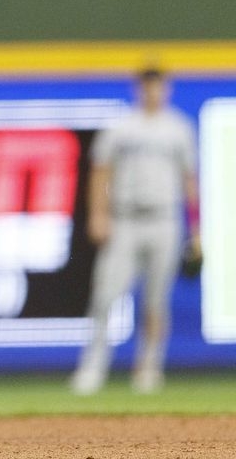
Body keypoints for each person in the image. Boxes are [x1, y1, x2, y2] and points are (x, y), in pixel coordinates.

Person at [70, 67, 200, 395]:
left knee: (156, 301)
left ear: (166, 89)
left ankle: (149, 368)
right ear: (139, 89)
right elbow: (100, 172)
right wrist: (98, 214)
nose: (153, 92)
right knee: (105, 296)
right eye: (147, 86)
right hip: (125, 220)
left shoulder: (178, 128)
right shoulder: (122, 127)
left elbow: (189, 181)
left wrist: (196, 228)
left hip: (164, 220)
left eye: (158, 86)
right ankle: (93, 368)